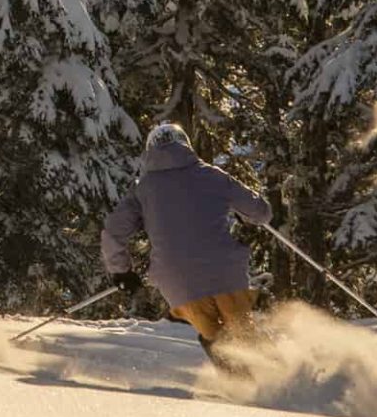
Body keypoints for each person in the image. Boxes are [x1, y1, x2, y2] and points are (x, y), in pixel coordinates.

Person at [100, 122, 271, 364]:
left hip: (178, 284)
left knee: (214, 336)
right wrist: (247, 218)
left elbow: (113, 232)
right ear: (186, 145)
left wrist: (121, 272)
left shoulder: (143, 189)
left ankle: (238, 387)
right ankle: (276, 384)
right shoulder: (213, 175)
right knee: (243, 332)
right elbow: (261, 213)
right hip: (225, 272)